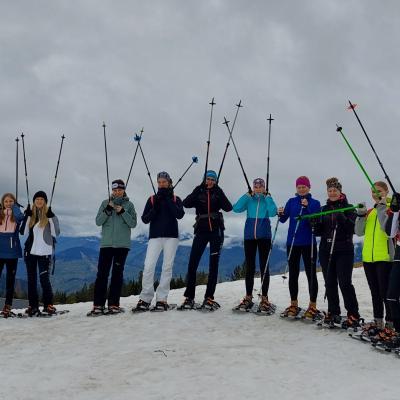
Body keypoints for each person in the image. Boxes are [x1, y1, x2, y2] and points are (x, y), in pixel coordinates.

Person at [179, 170, 232, 310]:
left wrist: (219, 191)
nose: (210, 182)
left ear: (216, 181)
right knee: (192, 264)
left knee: (213, 266)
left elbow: (228, 207)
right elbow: (186, 203)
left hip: (216, 232)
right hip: (201, 231)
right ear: (204, 179)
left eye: (212, 180)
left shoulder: (217, 192)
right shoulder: (199, 191)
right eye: (208, 179)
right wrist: (197, 189)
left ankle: (209, 297)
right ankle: (189, 297)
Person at [312, 177, 361, 328]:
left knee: (345, 282)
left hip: (344, 250)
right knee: (330, 282)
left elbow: (353, 229)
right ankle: (334, 312)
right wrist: (315, 226)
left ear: (340, 192)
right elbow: (320, 231)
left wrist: (343, 218)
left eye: (335, 190)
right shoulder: (323, 209)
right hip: (326, 250)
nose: (332, 193)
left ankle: (353, 314)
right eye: (330, 190)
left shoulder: (349, 207)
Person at [134, 172, 184, 312]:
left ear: (169, 182)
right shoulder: (152, 199)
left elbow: (179, 215)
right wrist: (154, 209)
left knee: (167, 267)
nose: (161, 184)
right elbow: (145, 219)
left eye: (164, 182)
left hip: (171, 237)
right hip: (155, 237)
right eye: (159, 182)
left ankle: (162, 299)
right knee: (148, 266)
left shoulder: (175, 198)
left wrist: (168, 200)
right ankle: (145, 298)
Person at [88, 179, 137, 316]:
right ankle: (98, 305)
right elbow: (98, 221)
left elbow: (133, 223)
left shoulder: (130, 205)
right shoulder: (105, 203)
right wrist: (107, 210)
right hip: (106, 245)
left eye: (119, 190)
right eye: (114, 190)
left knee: (117, 275)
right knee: (102, 274)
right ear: (112, 190)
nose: (117, 192)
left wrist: (123, 212)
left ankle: (113, 304)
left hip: (122, 246)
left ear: (123, 190)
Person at [278, 176, 321, 319]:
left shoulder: (315, 203)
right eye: (299, 187)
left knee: (311, 274)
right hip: (293, 243)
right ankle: (294, 303)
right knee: (293, 274)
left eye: (304, 187)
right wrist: (280, 213)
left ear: (309, 187)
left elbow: (315, 220)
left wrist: (306, 207)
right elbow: (283, 219)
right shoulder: (291, 201)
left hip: (309, 243)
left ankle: (312, 304)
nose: (301, 189)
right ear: (296, 188)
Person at [232, 178, 277, 313]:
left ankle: (264, 298)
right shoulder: (249, 199)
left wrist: (268, 197)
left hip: (264, 236)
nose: (258, 188)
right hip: (249, 237)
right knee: (250, 267)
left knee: (264, 267)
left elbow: (273, 212)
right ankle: (248, 296)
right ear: (253, 187)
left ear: (264, 187)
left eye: (260, 186)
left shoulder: (267, 199)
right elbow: (236, 208)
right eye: (255, 186)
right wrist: (246, 196)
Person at [355, 181, 393, 332]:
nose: (376, 195)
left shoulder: (391, 209)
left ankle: (390, 323)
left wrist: (383, 207)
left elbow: (386, 229)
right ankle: (378, 322)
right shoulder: (371, 212)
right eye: (373, 192)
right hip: (368, 258)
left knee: (386, 293)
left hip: (384, 257)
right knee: (375, 292)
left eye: (379, 191)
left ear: (386, 191)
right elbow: (358, 232)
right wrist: (361, 215)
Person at [21, 191, 60, 316]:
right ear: (34, 201)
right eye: (37, 199)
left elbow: (56, 233)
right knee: (31, 280)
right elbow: (23, 232)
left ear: (45, 202)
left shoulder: (50, 216)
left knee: (44, 280)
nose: (39, 201)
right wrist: (26, 216)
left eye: (41, 199)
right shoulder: (30, 215)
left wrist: (50, 217)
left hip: (45, 253)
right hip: (30, 252)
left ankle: (48, 305)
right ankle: (33, 306)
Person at [0, 193, 24, 317]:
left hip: (12, 252)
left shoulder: (16, 215)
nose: (8, 203)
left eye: (11, 201)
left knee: (10, 281)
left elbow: (21, 217)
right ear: (2, 203)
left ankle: (7, 306)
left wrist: (15, 207)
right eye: (6, 201)